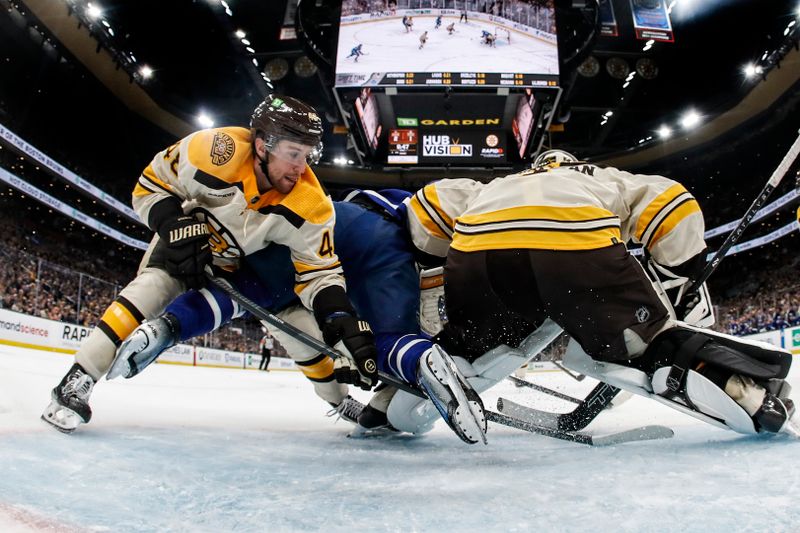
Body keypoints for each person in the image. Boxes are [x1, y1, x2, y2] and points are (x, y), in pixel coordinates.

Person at [41, 95, 379, 433]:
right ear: (262, 145)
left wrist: (340, 317)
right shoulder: (214, 149)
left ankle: (339, 400)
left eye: (308, 156)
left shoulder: (312, 203)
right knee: (148, 290)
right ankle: (77, 378)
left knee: (306, 336)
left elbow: (319, 272)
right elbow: (150, 186)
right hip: (186, 243)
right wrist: (173, 225)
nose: (301, 168)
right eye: (293, 154)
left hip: (244, 272)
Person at [404, 149, 797, 435]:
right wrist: (680, 277)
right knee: (647, 346)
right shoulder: (600, 177)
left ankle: (396, 402)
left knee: (474, 349)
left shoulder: (498, 184)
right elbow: (674, 206)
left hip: (478, 251)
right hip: (575, 244)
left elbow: (425, 207)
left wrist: (437, 279)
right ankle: (743, 391)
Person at [109, 190, 488, 444]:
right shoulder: (430, 236)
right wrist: (425, 339)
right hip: (381, 253)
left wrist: (172, 322)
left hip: (323, 226)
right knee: (393, 339)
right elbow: (415, 311)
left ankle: (166, 327)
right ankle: (416, 357)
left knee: (246, 293)